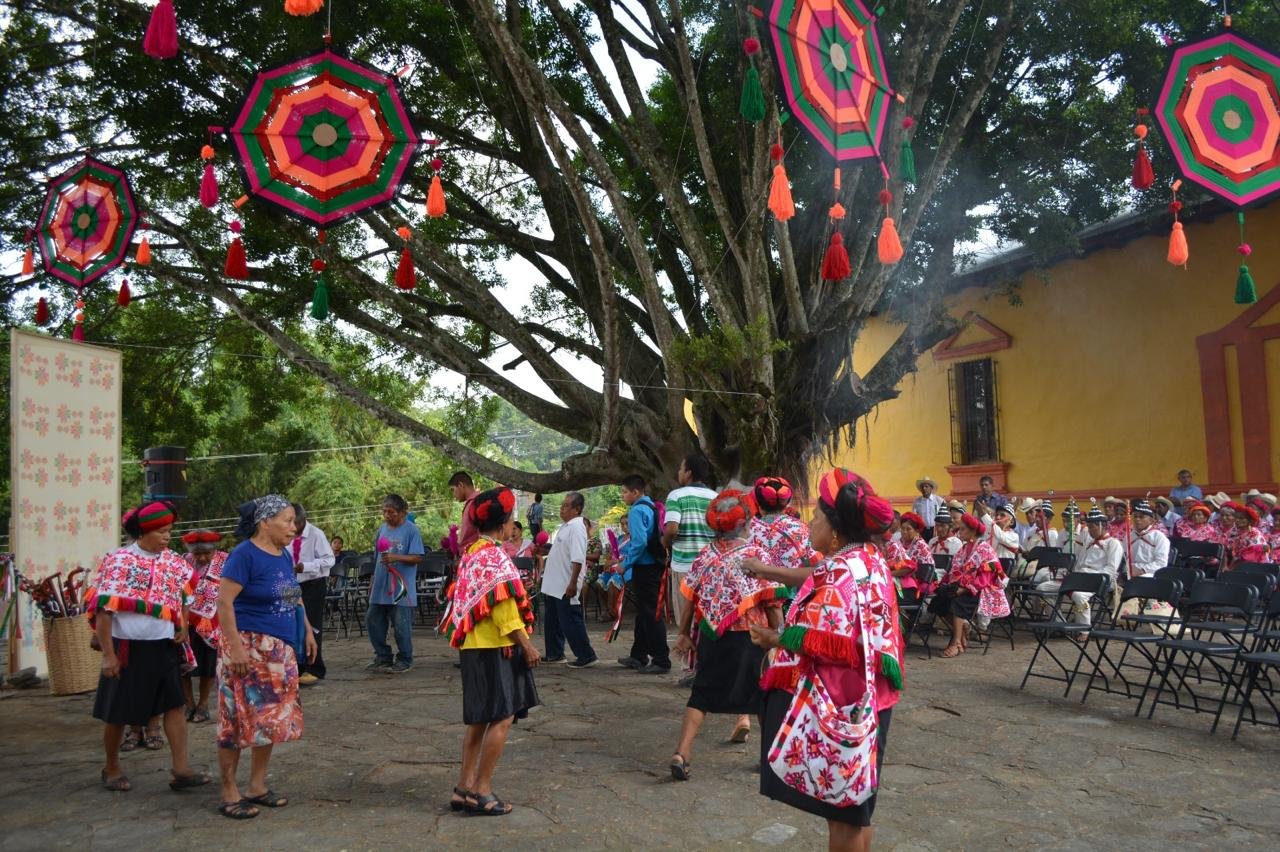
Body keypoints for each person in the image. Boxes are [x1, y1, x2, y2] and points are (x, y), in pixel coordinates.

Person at [748, 469, 902, 852]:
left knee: (845, 814)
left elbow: (824, 639)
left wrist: (775, 637)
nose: (810, 524)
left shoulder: (840, 571)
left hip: (843, 702)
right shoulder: (869, 558)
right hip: (873, 699)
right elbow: (821, 581)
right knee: (858, 806)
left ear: (835, 529)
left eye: (816, 517)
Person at [89, 502, 210, 794]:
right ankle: (112, 767)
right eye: (161, 531)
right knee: (118, 711)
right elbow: (104, 610)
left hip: (163, 646)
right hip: (127, 646)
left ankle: (181, 769)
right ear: (143, 531)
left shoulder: (174, 563)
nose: (167, 536)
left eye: (169, 531)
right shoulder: (120, 561)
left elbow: (182, 594)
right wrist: (108, 654)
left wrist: (181, 623)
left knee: (175, 706)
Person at [669, 490, 788, 779]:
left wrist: (684, 634)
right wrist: (781, 637)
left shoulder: (706, 556)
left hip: (712, 637)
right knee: (762, 697)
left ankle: (681, 753)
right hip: (752, 637)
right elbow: (771, 601)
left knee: (701, 695)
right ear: (745, 524)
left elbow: (692, 599)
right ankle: (769, 760)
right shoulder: (755, 555)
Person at [215, 496, 316, 819]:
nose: (293, 527)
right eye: (287, 520)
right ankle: (229, 790)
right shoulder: (244, 555)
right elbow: (224, 603)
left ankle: (257, 786)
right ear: (264, 522)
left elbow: (291, 594)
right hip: (247, 647)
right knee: (235, 718)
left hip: (278, 651)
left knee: (268, 719)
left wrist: (308, 628)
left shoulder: (283, 555)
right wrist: (236, 647)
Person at [442, 487, 540, 817]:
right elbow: (504, 610)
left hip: (472, 646)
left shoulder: (471, 554)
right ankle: (482, 790)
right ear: (506, 523)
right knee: (503, 716)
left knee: (479, 720)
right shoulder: (496, 557)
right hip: (497, 646)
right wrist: (526, 645)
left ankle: (463, 788)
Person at [662, 454, 717, 683]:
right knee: (708, 617)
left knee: (686, 618)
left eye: (680, 468)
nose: (678, 473)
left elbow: (672, 528)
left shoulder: (677, 495)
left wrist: (665, 543)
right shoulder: (716, 498)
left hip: (685, 564)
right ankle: (707, 666)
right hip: (713, 566)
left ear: (689, 472)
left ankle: (690, 669)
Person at [928, 513, 1006, 657]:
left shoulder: (985, 549)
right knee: (938, 601)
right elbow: (954, 570)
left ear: (973, 531)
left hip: (981, 589)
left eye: (963, 529)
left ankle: (956, 643)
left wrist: (964, 588)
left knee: (957, 603)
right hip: (962, 587)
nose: (959, 532)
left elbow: (988, 575)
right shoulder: (964, 549)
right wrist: (946, 584)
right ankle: (962, 628)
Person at [365, 494, 425, 673]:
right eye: (384, 511)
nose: (386, 515)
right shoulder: (382, 530)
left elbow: (417, 558)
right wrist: (372, 581)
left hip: (401, 588)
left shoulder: (411, 530)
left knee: (401, 625)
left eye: (390, 512)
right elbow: (377, 558)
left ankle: (405, 658)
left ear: (402, 512)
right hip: (380, 586)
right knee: (372, 620)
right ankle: (383, 656)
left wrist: (396, 557)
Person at [617, 475, 670, 673]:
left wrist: (626, 563)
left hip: (645, 567)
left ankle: (661, 659)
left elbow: (639, 542)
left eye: (624, 492)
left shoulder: (637, 510)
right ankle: (638, 655)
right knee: (644, 613)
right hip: (654, 565)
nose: (623, 496)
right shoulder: (653, 507)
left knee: (651, 613)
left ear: (635, 492)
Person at [1036, 506, 1122, 625]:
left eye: (1092, 527)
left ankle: (1083, 629)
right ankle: (1058, 623)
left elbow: (1111, 569)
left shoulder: (1113, 543)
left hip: (1099, 580)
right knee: (1042, 588)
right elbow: (1079, 562)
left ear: (1102, 526)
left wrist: (1089, 575)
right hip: (1079, 577)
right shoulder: (1088, 543)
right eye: (1089, 527)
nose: (1090, 530)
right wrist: (1073, 572)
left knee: (1078, 595)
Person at [540, 492, 598, 668]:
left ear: (576, 509)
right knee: (552, 620)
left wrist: (573, 583)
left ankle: (586, 655)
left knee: (570, 621)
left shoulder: (577, 527)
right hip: (553, 584)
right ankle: (555, 653)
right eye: (562, 505)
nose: (561, 509)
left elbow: (578, 558)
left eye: (566, 506)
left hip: (565, 583)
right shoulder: (566, 527)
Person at [181, 529, 226, 723]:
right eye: (197, 553)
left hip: (212, 621)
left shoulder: (225, 561)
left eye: (207, 553)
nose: (202, 557)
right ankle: (188, 704)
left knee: (208, 665)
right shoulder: (184, 561)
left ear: (215, 550)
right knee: (183, 664)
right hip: (185, 620)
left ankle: (204, 704)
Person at [290, 504, 335, 686]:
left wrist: (306, 566)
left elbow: (329, 560)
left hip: (313, 584)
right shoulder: (286, 535)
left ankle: (314, 668)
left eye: (294, 522)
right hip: (292, 584)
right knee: (294, 624)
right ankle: (297, 666)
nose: (291, 526)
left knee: (312, 625)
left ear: (303, 520)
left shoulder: (316, 534)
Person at [749, 476, 818, 569]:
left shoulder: (748, 530)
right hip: (797, 581)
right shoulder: (801, 528)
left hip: (762, 581)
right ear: (785, 506)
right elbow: (814, 563)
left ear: (759, 506)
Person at [894, 512, 934, 603]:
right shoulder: (900, 542)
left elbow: (911, 570)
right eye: (902, 528)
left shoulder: (921, 546)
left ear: (917, 531)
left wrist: (891, 573)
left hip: (916, 588)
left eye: (908, 529)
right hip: (902, 581)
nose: (904, 532)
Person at [1128, 500, 1171, 578]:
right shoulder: (1128, 536)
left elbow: (1161, 563)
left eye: (1141, 517)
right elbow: (1124, 558)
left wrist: (1142, 570)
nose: (1137, 519)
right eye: (1135, 517)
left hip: (1150, 573)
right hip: (1129, 571)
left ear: (1151, 520)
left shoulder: (1159, 537)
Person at [450, 472, 480, 552]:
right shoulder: (471, 503)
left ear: (460, 485)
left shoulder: (478, 502)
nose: (453, 494)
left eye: (453, 490)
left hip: (475, 555)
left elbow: (482, 534)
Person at [912, 477, 945, 541]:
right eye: (922, 487)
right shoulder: (917, 502)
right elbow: (914, 516)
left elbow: (944, 516)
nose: (924, 488)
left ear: (931, 488)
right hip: (922, 531)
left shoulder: (939, 500)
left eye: (926, 486)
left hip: (935, 530)